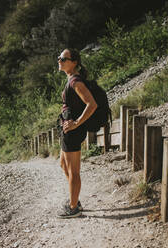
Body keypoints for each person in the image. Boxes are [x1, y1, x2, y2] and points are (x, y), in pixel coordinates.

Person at [57, 48, 97, 218]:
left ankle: (73, 207)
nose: (59, 61)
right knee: (63, 165)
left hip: (72, 131)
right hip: (68, 130)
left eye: (64, 59)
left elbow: (92, 105)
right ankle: (75, 199)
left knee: (74, 171)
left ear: (74, 62)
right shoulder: (70, 80)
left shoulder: (75, 81)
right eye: (59, 58)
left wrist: (76, 123)